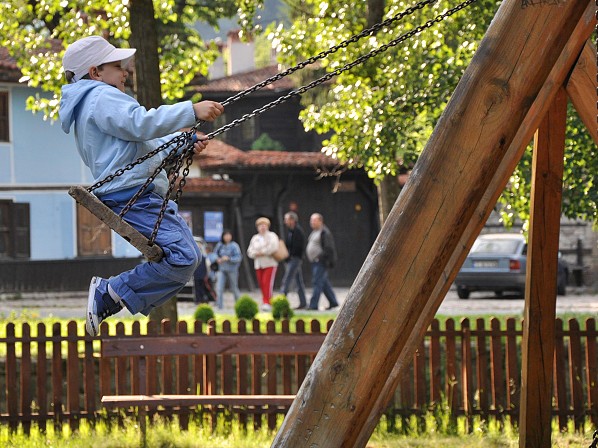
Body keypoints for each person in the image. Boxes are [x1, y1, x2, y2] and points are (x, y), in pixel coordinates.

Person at [59, 35, 224, 336]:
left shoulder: (96, 101)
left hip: (137, 192)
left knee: (188, 258)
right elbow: (141, 123)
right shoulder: (100, 97)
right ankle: (110, 292)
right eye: (117, 67)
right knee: (186, 257)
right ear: (95, 72)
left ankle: (113, 294)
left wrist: (182, 142)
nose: (125, 72)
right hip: (132, 194)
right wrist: (191, 111)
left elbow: (145, 143)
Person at [306, 213, 339, 311]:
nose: (312, 222)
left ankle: (313, 305)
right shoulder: (314, 232)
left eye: (314, 220)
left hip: (320, 262)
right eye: (311, 220)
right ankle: (333, 302)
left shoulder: (324, 232)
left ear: (320, 221)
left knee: (317, 282)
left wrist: (320, 257)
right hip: (315, 262)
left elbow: (329, 248)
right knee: (324, 283)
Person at [246, 217, 279, 311]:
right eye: (260, 225)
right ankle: (266, 301)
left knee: (267, 283)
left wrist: (263, 252)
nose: (262, 227)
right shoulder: (255, 238)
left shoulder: (272, 236)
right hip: (258, 264)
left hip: (269, 263)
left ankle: (267, 302)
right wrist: (255, 253)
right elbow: (250, 251)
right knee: (261, 283)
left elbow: (273, 247)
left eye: (264, 225)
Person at [279, 211, 308, 309]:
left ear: (292, 220)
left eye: (286, 219)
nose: (285, 221)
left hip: (295, 259)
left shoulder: (298, 232)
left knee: (286, 280)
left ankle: (281, 302)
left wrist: (289, 255)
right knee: (298, 282)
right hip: (292, 259)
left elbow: (298, 247)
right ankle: (303, 302)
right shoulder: (291, 232)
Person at [212, 229, 243, 309]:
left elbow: (238, 257)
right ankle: (219, 306)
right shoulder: (220, 245)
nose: (227, 237)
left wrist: (229, 258)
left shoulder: (234, 245)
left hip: (232, 270)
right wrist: (217, 259)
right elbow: (214, 254)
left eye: (229, 235)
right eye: (225, 235)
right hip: (221, 269)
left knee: (234, 288)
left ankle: (239, 305)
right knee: (219, 287)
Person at [192, 237, 216, 304]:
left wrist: (207, 274)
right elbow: (208, 267)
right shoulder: (203, 258)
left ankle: (200, 300)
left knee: (200, 289)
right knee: (200, 289)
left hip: (200, 276)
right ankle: (200, 300)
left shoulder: (202, 258)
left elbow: (208, 266)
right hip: (199, 276)